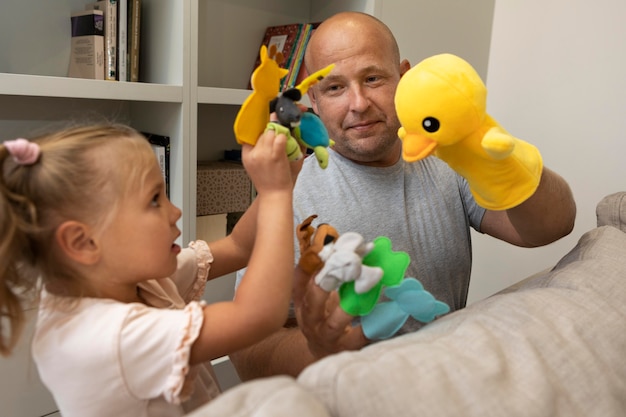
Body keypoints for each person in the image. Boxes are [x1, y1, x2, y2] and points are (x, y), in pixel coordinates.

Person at [230, 11, 576, 380]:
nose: (359, 103)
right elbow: (246, 346)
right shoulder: (287, 193)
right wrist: (321, 349)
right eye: (335, 88)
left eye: (373, 78)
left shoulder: (449, 157)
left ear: (405, 77)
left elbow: (551, 227)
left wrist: (504, 163)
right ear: (312, 98)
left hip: (449, 380)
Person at [0, 123, 295, 416]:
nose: (175, 211)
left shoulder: (129, 279)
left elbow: (238, 247)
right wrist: (275, 194)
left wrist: (289, 172)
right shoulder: (109, 338)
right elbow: (258, 316)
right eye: (155, 200)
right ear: (84, 242)